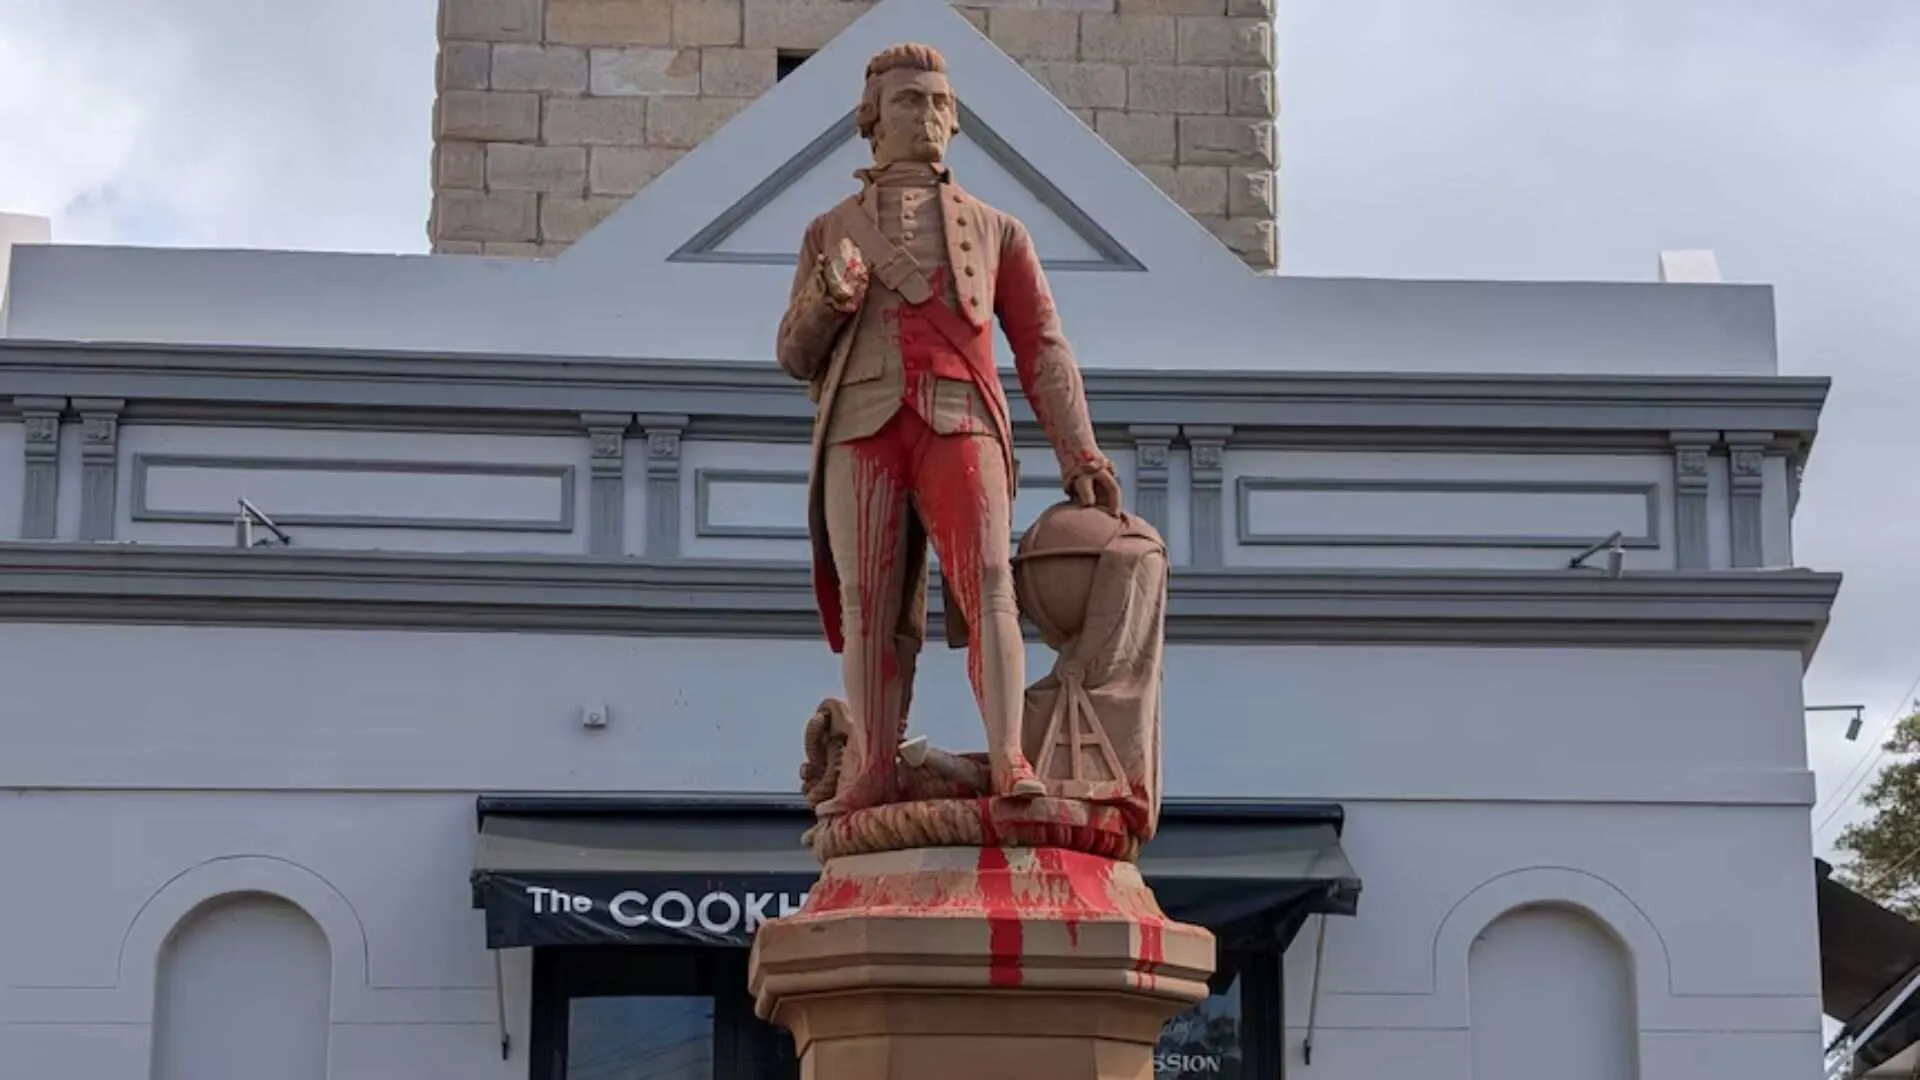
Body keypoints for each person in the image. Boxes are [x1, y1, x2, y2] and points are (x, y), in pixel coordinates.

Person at [776, 42, 1122, 817]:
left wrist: (1080, 452)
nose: (927, 116)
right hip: (861, 425)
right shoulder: (827, 231)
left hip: (961, 417)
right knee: (868, 603)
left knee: (991, 585)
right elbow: (793, 355)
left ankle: (1009, 759)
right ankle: (869, 767)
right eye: (908, 102)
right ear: (871, 120)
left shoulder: (999, 230)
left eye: (939, 104)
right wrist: (830, 302)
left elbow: (1042, 346)